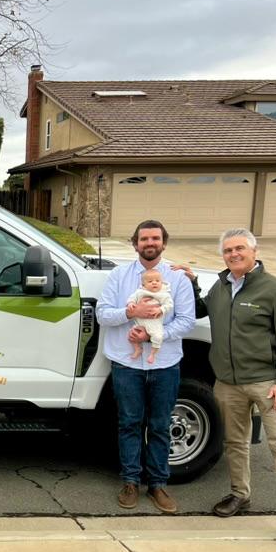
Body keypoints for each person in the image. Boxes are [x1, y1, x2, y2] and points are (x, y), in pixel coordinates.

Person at [174, 229, 276, 546]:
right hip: (227, 384)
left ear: (253, 250)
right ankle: (239, 495)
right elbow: (197, 311)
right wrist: (192, 282)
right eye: (228, 250)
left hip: (267, 383)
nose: (233, 254)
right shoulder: (220, 288)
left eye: (239, 249)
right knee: (235, 443)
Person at [97, 220, 195, 513]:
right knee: (129, 423)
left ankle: (158, 485)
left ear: (163, 243)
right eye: (143, 239)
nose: (149, 243)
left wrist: (155, 334)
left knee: (160, 426)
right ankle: (130, 481)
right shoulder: (119, 275)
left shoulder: (177, 279)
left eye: (155, 238)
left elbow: (186, 320)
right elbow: (103, 313)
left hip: (164, 363)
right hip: (126, 363)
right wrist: (131, 312)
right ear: (135, 243)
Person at [127, 269, 174, 364]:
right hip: (140, 321)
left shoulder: (164, 294)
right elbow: (132, 298)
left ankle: (153, 354)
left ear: (161, 282)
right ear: (143, 284)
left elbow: (169, 305)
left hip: (154, 321)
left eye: (157, 281)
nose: (154, 283)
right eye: (150, 281)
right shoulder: (140, 292)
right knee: (131, 335)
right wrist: (131, 303)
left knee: (157, 336)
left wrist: (160, 309)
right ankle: (137, 349)